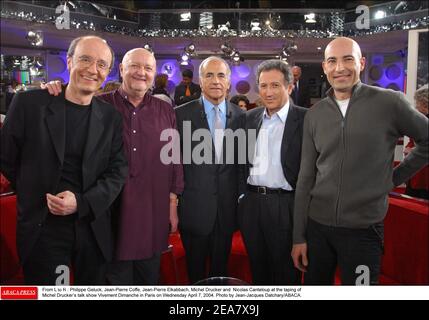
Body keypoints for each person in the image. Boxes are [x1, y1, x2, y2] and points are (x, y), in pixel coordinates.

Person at [291, 37, 429, 285]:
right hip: (317, 228)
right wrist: (298, 236)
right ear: (324, 67)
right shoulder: (314, 115)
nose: (340, 68)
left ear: (361, 63)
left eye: (348, 59)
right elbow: (305, 178)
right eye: (332, 61)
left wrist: (392, 179)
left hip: (363, 231)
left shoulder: (390, 102)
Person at [43, 48, 184, 285]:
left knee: (148, 279)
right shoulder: (97, 105)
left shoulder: (165, 110)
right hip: (108, 213)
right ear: (121, 69)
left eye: (148, 68)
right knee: (113, 280)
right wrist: (54, 90)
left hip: (153, 213)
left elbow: (173, 162)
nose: (141, 73)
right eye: (134, 66)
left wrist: (172, 205)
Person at [0, 36, 128, 285]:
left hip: (92, 227)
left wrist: (80, 203)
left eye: (102, 64)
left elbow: (117, 171)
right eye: (85, 59)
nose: (93, 69)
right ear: (69, 62)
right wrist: (36, 189)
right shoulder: (29, 105)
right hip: (43, 228)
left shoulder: (111, 117)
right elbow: (7, 159)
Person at [175, 56, 245, 284]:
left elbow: (245, 165)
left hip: (227, 210)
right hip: (193, 210)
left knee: (220, 273)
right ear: (200, 80)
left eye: (221, 75)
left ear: (229, 81)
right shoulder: (179, 114)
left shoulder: (242, 117)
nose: (215, 81)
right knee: (194, 273)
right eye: (209, 75)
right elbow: (173, 163)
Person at [239, 60, 306, 285]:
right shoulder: (250, 118)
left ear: (289, 87)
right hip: (251, 204)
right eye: (263, 86)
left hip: (285, 205)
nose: (268, 92)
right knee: (258, 270)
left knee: (286, 273)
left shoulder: (306, 119)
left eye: (275, 85)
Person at [404, 84, 429, 200]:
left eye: (418, 103)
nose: (416, 106)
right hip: (417, 170)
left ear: (425, 104)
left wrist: (413, 150)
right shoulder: (419, 120)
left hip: (424, 173)